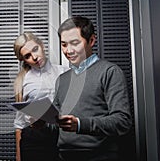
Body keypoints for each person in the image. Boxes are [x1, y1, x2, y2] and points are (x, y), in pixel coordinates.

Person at [54, 16, 132, 161]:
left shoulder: (109, 72)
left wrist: (79, 124)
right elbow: (57, 123)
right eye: (64, 44)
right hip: (64, 155)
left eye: (75, 43)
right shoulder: (62, 80)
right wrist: (41, 122)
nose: (68, 50)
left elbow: (122, 121)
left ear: (91, 40)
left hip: (99, 156)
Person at [13, 32, 69, 161]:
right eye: (28, 56)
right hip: (34, 138)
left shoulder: (65, 72)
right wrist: (18, 155)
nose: (34, 57)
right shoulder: (23, 81)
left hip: (63, 135)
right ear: (23, 60)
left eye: (35, 49)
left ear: (42, 45)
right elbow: (19, 123)